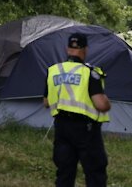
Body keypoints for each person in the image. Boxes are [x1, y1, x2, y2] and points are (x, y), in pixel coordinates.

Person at [44, 33, 111, 187]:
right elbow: (100, 104)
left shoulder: (53, 70)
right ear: (85, 49)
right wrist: (107, 104)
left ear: (68, 49)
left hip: (61, 126)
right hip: (85, 129)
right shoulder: (89, 73)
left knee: (64, 172)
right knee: (95, 172)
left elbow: (46, 102)